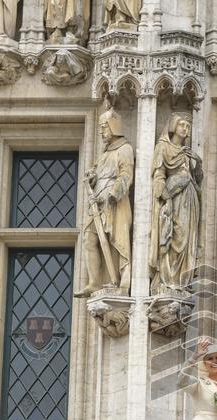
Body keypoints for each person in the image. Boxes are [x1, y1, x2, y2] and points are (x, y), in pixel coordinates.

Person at [75, 109, 134, 297]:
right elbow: (96, 172)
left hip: (114, 203)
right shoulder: (104, 153)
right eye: (100, 128)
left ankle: (123, 279)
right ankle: (94, 282)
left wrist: (112, 194)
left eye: (104, 128)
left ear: (113, 127)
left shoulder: (125, 149)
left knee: (116, 240)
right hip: (97, 202)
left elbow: (126, 175)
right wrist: (92, 177)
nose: (101, 132)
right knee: (89, 239)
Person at [151, 114, 203, 295]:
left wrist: (198, 162)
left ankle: (182, 280)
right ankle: (169, 280)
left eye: (188, 126)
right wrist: (164, 196)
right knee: (175, 236)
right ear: (173, 125)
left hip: (190, 198)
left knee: (188, 239)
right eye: (182, 124)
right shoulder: (163, 147)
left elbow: (197, 179)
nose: (185, 129)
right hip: (174, 198)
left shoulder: (186, 152)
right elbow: (158, 175)